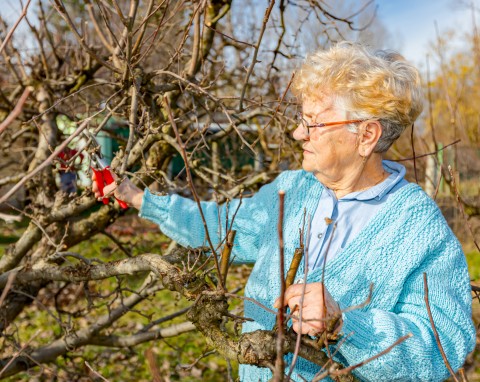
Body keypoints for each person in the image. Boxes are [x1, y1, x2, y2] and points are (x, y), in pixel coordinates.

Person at [92, 42, 475, 381]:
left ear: (367, 135)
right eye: (302, 120)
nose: (298, 133)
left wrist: (344, 324)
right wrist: (140, 198)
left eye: (315, 122)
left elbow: (445, 346)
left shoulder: (418, 227)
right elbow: (223, 226)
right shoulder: (294, 190)